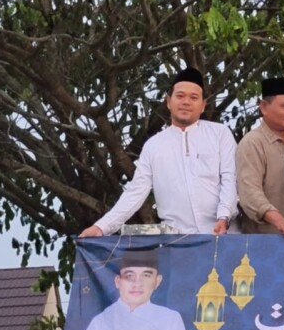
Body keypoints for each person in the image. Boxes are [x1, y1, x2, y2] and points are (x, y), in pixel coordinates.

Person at [80, 68, 237, 237]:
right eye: (180, 96)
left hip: (224, 234)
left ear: (203, 105)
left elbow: (231, 179)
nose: (186, 102)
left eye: (193, 98)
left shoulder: (220, 134)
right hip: (177, 241)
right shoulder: (153, 146)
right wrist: (101, 227)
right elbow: (136, 191)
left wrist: (224, 217)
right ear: (168, 102)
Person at [236, 77, 284, 239]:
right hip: (262, 242)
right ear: (264, 107)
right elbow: (250, 194)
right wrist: (280, 221)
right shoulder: (252, 143)